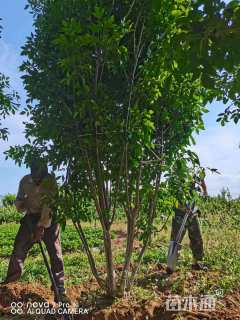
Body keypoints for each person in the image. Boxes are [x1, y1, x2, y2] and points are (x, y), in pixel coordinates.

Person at [2, 157, 68, 302]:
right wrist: (20, 204)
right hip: (30, 218)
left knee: (55, 254)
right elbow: (20, 202)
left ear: (45, 173)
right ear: (31, 173)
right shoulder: (25, 181)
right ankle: (10, 286)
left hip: (50, 218)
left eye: (40, 176)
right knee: (18, 250)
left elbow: (49, 206)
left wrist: (41, 227)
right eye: (35, 176)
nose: (37, 179)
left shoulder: (50, 181)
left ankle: (60, 291)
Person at [168, 173, 208, 272]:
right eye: (192, 181)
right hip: (180, 215)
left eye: (195, 181)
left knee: (197, 239)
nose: (194, 183)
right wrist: (183, 207)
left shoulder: (197, 190)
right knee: (176, 240)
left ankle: (197, 263)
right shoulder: (181, 187)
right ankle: (171, 265)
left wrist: (203, 183)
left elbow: (205, 194)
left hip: (192, 215)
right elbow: (174, 200)